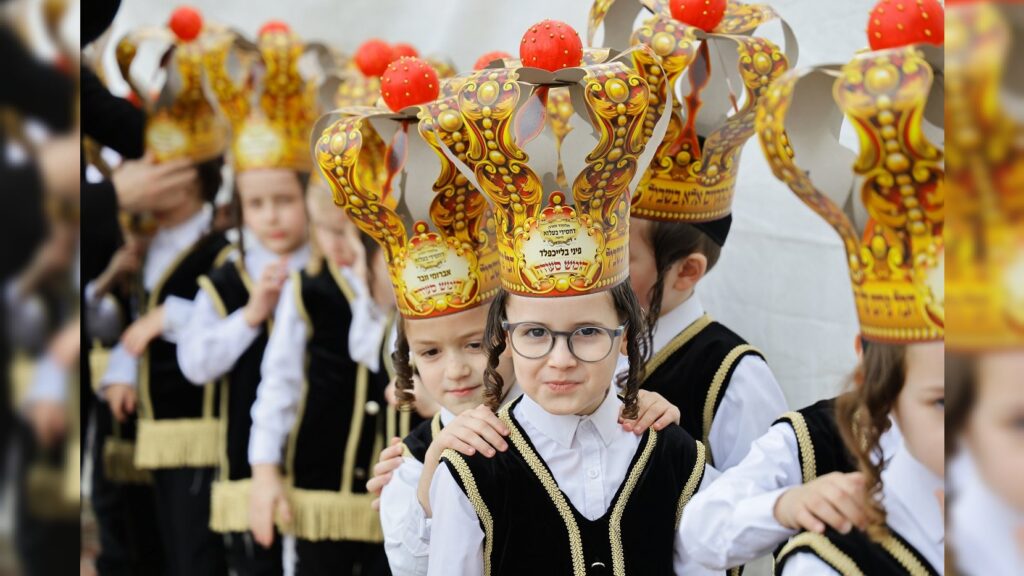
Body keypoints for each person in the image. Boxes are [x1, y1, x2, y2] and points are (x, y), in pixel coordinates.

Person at [420, 48, 721, 574]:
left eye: (586, 332)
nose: (560, 359)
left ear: (624, 337)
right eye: (535, 333)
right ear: (505, 337)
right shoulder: (472, 470)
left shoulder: (675, 455)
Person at [175, 22, 317, 576]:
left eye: (285, 199)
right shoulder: (227, 276)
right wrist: (250, 315)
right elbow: (195, 361)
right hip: (246, 458)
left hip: (320, 457)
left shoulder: (330, 274)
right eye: (257, 204)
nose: (272, 216)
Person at [247, 185, 390, 576]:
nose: (343, 244)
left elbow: (377, 351)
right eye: (329, 230)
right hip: (317, 484)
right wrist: (264, 471)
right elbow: (278, 384)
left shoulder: (400, 290)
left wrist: (375, 285)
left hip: (389, 494)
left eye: (354, 232)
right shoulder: (305, 289)